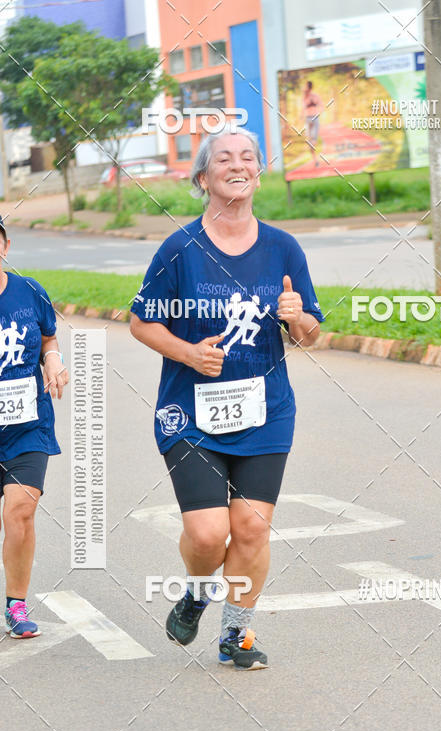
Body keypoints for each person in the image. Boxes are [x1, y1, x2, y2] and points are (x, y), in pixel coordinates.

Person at [130, 126, 323, 669]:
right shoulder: (181, 248)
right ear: (203, 177)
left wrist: (298, 318)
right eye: (224, 159)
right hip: (191, 413)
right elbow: (141, 323)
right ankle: (197, 591)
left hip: (266, 410)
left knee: (252, 527)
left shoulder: (283, 246)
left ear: (258, 171)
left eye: (249, 157)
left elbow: (310, 333)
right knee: (209, 533)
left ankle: (235, 634)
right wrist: (189, 353)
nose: (238, 165)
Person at [0, 215, 68, 638]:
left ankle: (16, 605)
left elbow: (47, 337)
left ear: (5, 247)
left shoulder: (29, 292)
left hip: (27, 424)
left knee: (20, 510)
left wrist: (53, 359)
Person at [303, 81, 322, 166]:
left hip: (314, 118)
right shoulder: (304, 96)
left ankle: (316, 159)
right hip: (307, 119)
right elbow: (303, 108)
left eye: (306, 86)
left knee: (313, 142)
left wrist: (318, 112)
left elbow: (321, 105)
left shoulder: (315, 96)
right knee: (309, 142)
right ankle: (315, 160)